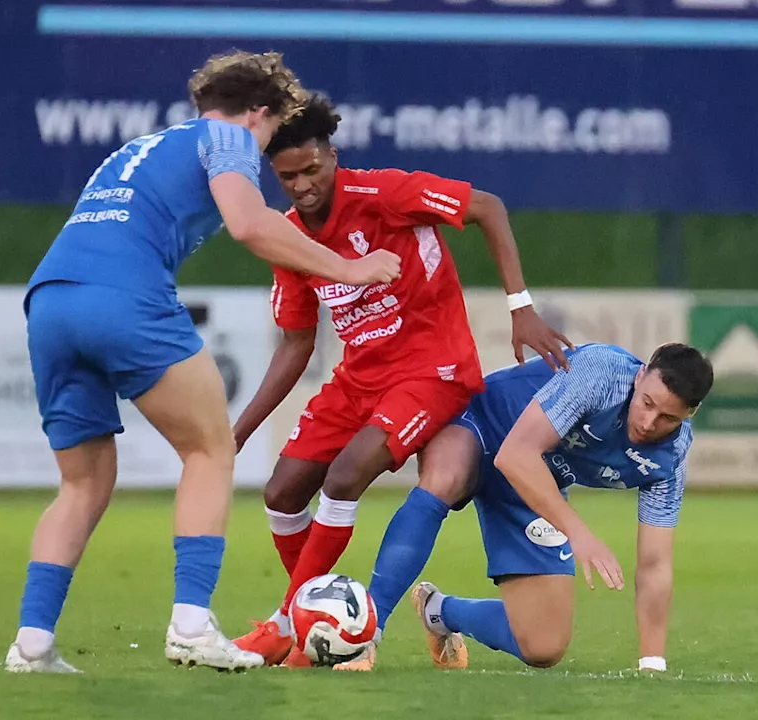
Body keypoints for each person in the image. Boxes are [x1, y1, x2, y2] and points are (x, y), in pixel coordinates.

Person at [4, 52, 402, 674]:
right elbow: (249, 223)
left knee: (83, 481)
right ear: (261, 114)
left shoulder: (141, 147)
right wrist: (350, 268)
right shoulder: (230, 137)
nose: (267, 155)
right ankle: (191, 625)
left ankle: (30, 645)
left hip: (50, 300)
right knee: (210, 449)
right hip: (124, 296)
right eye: (271, 136)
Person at [230, 94, 572, 667]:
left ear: (332, 156)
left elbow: (487, 206)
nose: (303, 185)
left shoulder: (384, 194)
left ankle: (287, 625)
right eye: (288, 176)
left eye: (313, 169)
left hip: (432, 370)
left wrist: (520, 305)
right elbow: (296, 344)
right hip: (358, 377)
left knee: (343, 478)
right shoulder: (287, 237)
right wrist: (236, 432)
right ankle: (326, 620)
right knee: (282, 492)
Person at [340, 342, 712, 673]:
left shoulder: (671, 456)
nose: (649, 423)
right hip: (483, 426)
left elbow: (655, 564)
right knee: (445, 479)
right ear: (640, 376)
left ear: (689, 414)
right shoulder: (602, 371)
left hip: (533, 478)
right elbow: (515, 454)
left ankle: (439, 611)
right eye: (647, 403)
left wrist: (652, 664)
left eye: (668, 418)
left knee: (543, 645)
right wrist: (578, 533)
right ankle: (365, 635)